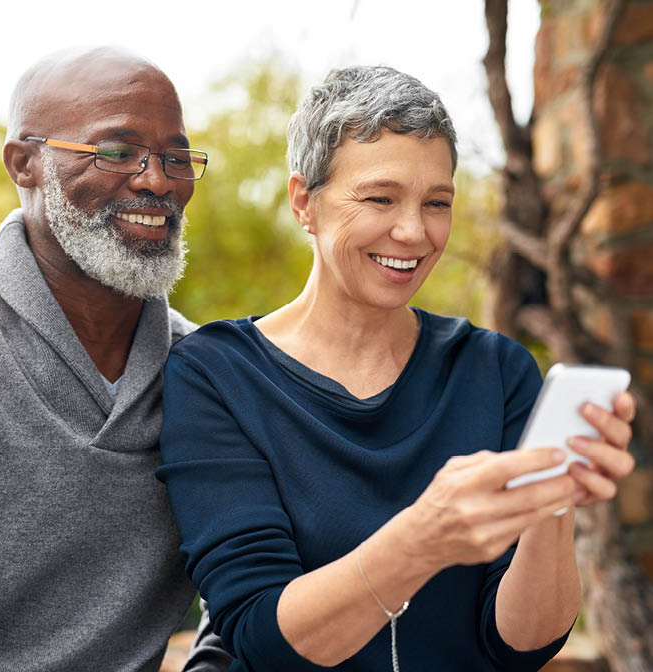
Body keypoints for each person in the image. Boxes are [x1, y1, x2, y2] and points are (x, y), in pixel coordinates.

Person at [157, 65, 638, 671]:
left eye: (437, 203)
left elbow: (522, 645)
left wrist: (552, 503)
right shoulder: (216, 375)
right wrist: (423, 538)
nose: (413, 232)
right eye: (380, 198)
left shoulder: (496, 371)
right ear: (305, 202)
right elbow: (262, 637)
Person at [0, 47, 229, 672]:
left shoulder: (210, 378)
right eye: (116, 151)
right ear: (24, 164)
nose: (156, 181)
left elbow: (248, 604)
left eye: (177, 158)